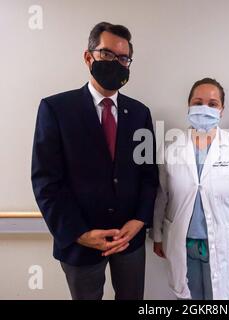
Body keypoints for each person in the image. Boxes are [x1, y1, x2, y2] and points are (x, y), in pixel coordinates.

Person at [31, 22, 159, 300]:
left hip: (130, 240)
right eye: (108, 54)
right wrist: (79, 233)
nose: (117, 62)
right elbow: (46, 181)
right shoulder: (56, 109)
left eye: (124, 58)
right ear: (88, 57)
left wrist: (139, 220)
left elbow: (149, 176)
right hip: (80, 241)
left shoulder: (139, 113)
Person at [152, 78, 229, 300]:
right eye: (198, 102)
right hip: (182, 244)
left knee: (220, 299)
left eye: (213, 104)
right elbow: (161, 196)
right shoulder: (171, 147)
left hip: (226, 244)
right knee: (188, 298)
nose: (205, 109)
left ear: (222, 110)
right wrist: (157, 236)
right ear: (188, 106)